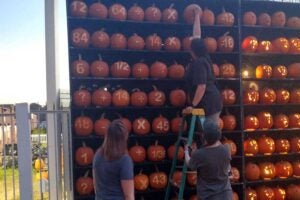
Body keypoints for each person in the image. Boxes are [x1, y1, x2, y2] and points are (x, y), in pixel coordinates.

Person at [184, 6, 223, 122]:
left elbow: (202, 86)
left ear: (192, 50)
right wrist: (196, 16)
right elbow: (197, 35)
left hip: (209, 103)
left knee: (210, 135)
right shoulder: (204, 56)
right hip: (210, 102)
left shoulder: (199, 63)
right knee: (206, 134)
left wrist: (193, 105)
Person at [184, 119, 233, 200]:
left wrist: (186, 151)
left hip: (207, 196)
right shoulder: (226, 149)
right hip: (225, 194)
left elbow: (190, 164)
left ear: (204, 136)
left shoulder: (199, 154)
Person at [93, 119, 134, 200]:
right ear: (124, 137)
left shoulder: (98, 155)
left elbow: (96, 185)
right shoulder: (124, 160)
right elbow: (129, 196)